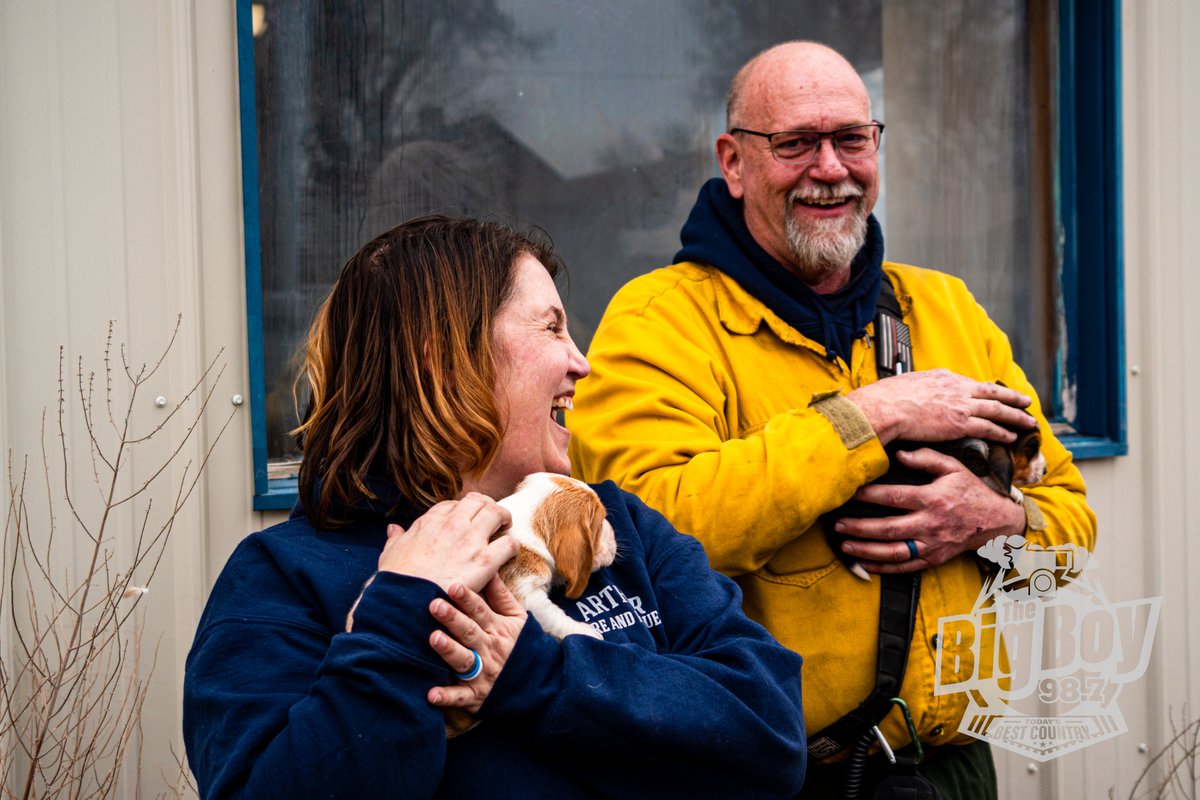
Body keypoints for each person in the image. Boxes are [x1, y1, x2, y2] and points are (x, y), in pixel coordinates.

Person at [567, 42, 1097, 798]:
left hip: (956, 769)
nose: (830, 168)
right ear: (733, 162)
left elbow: (1071, 528)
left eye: (851, 138)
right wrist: (869, 417)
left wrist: (993, 522)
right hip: (771, 779)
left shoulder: (946, 309)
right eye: (795, 144)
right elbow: (643, 537)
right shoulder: (658, 323)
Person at [182, 216, 807, 799]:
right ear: (444, 360)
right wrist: (399, 619)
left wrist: (537, 675)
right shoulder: (282, 578)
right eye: (551, 328)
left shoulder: (616, 525)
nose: (582, 362)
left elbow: (772, 732)